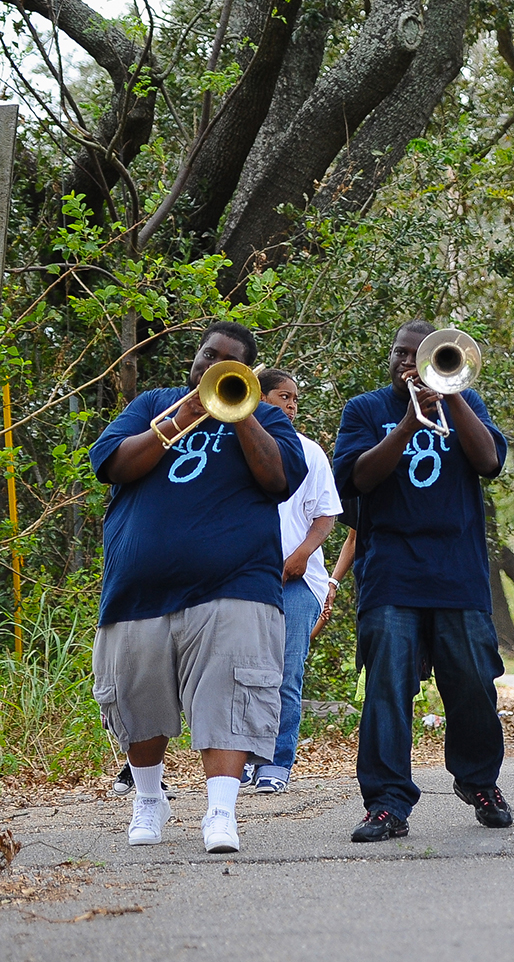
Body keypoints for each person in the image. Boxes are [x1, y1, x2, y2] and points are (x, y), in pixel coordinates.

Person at [90, 322, 307, 853]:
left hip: (236, 585)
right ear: (195, 356)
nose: (212, 366)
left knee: (230, 695)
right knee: (136, 697)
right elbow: (112, 463)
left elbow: (279, 479)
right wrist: (183, 417)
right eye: (208, 355)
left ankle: (221, 811)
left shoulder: (268, 417)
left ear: (245, 372)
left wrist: (241, 412)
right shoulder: (152, 404)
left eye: (227, 362)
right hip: (139, 589)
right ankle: (149, 800)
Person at [332, 320, 511, 842]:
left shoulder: (467, 403)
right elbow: (358, 479)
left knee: (474, 685)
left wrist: (451, 395)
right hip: (391, 574)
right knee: (387, 690)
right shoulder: (365, 410)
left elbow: (489, 461)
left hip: (458, 575)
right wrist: (409, 424)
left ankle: (479, 782)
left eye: (420, 355)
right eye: (400, 353)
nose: (407, 363)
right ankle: (386, 804)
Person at [244, 370, 343, 794]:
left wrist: (302, 555)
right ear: (258, 398)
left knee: (285, 673)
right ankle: (242, 759)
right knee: (242, 673)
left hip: (298, 582)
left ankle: (276, 762)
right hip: (244, 580)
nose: (291, 405)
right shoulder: (235, 446)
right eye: (283, 396)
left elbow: (326, 515)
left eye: (295, 399)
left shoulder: (309, 451)